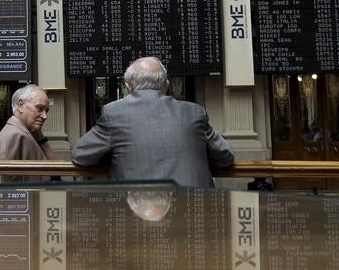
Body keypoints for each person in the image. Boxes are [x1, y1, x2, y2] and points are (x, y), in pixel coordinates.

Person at [71, 56, 234, 188]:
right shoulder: (195, 112)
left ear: (127, 86)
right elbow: (226, 157)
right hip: (193, 210)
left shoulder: (113, 113)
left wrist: (115, 155)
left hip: (137, 213)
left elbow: (81, 156)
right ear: (167, 84)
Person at [0, 84, 57, 182]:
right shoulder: (17, 136)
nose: (44, 116)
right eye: (39, 108)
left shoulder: (16, 130)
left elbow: (56, 171)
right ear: (21, 105)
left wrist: (40, 136)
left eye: (46, 111)